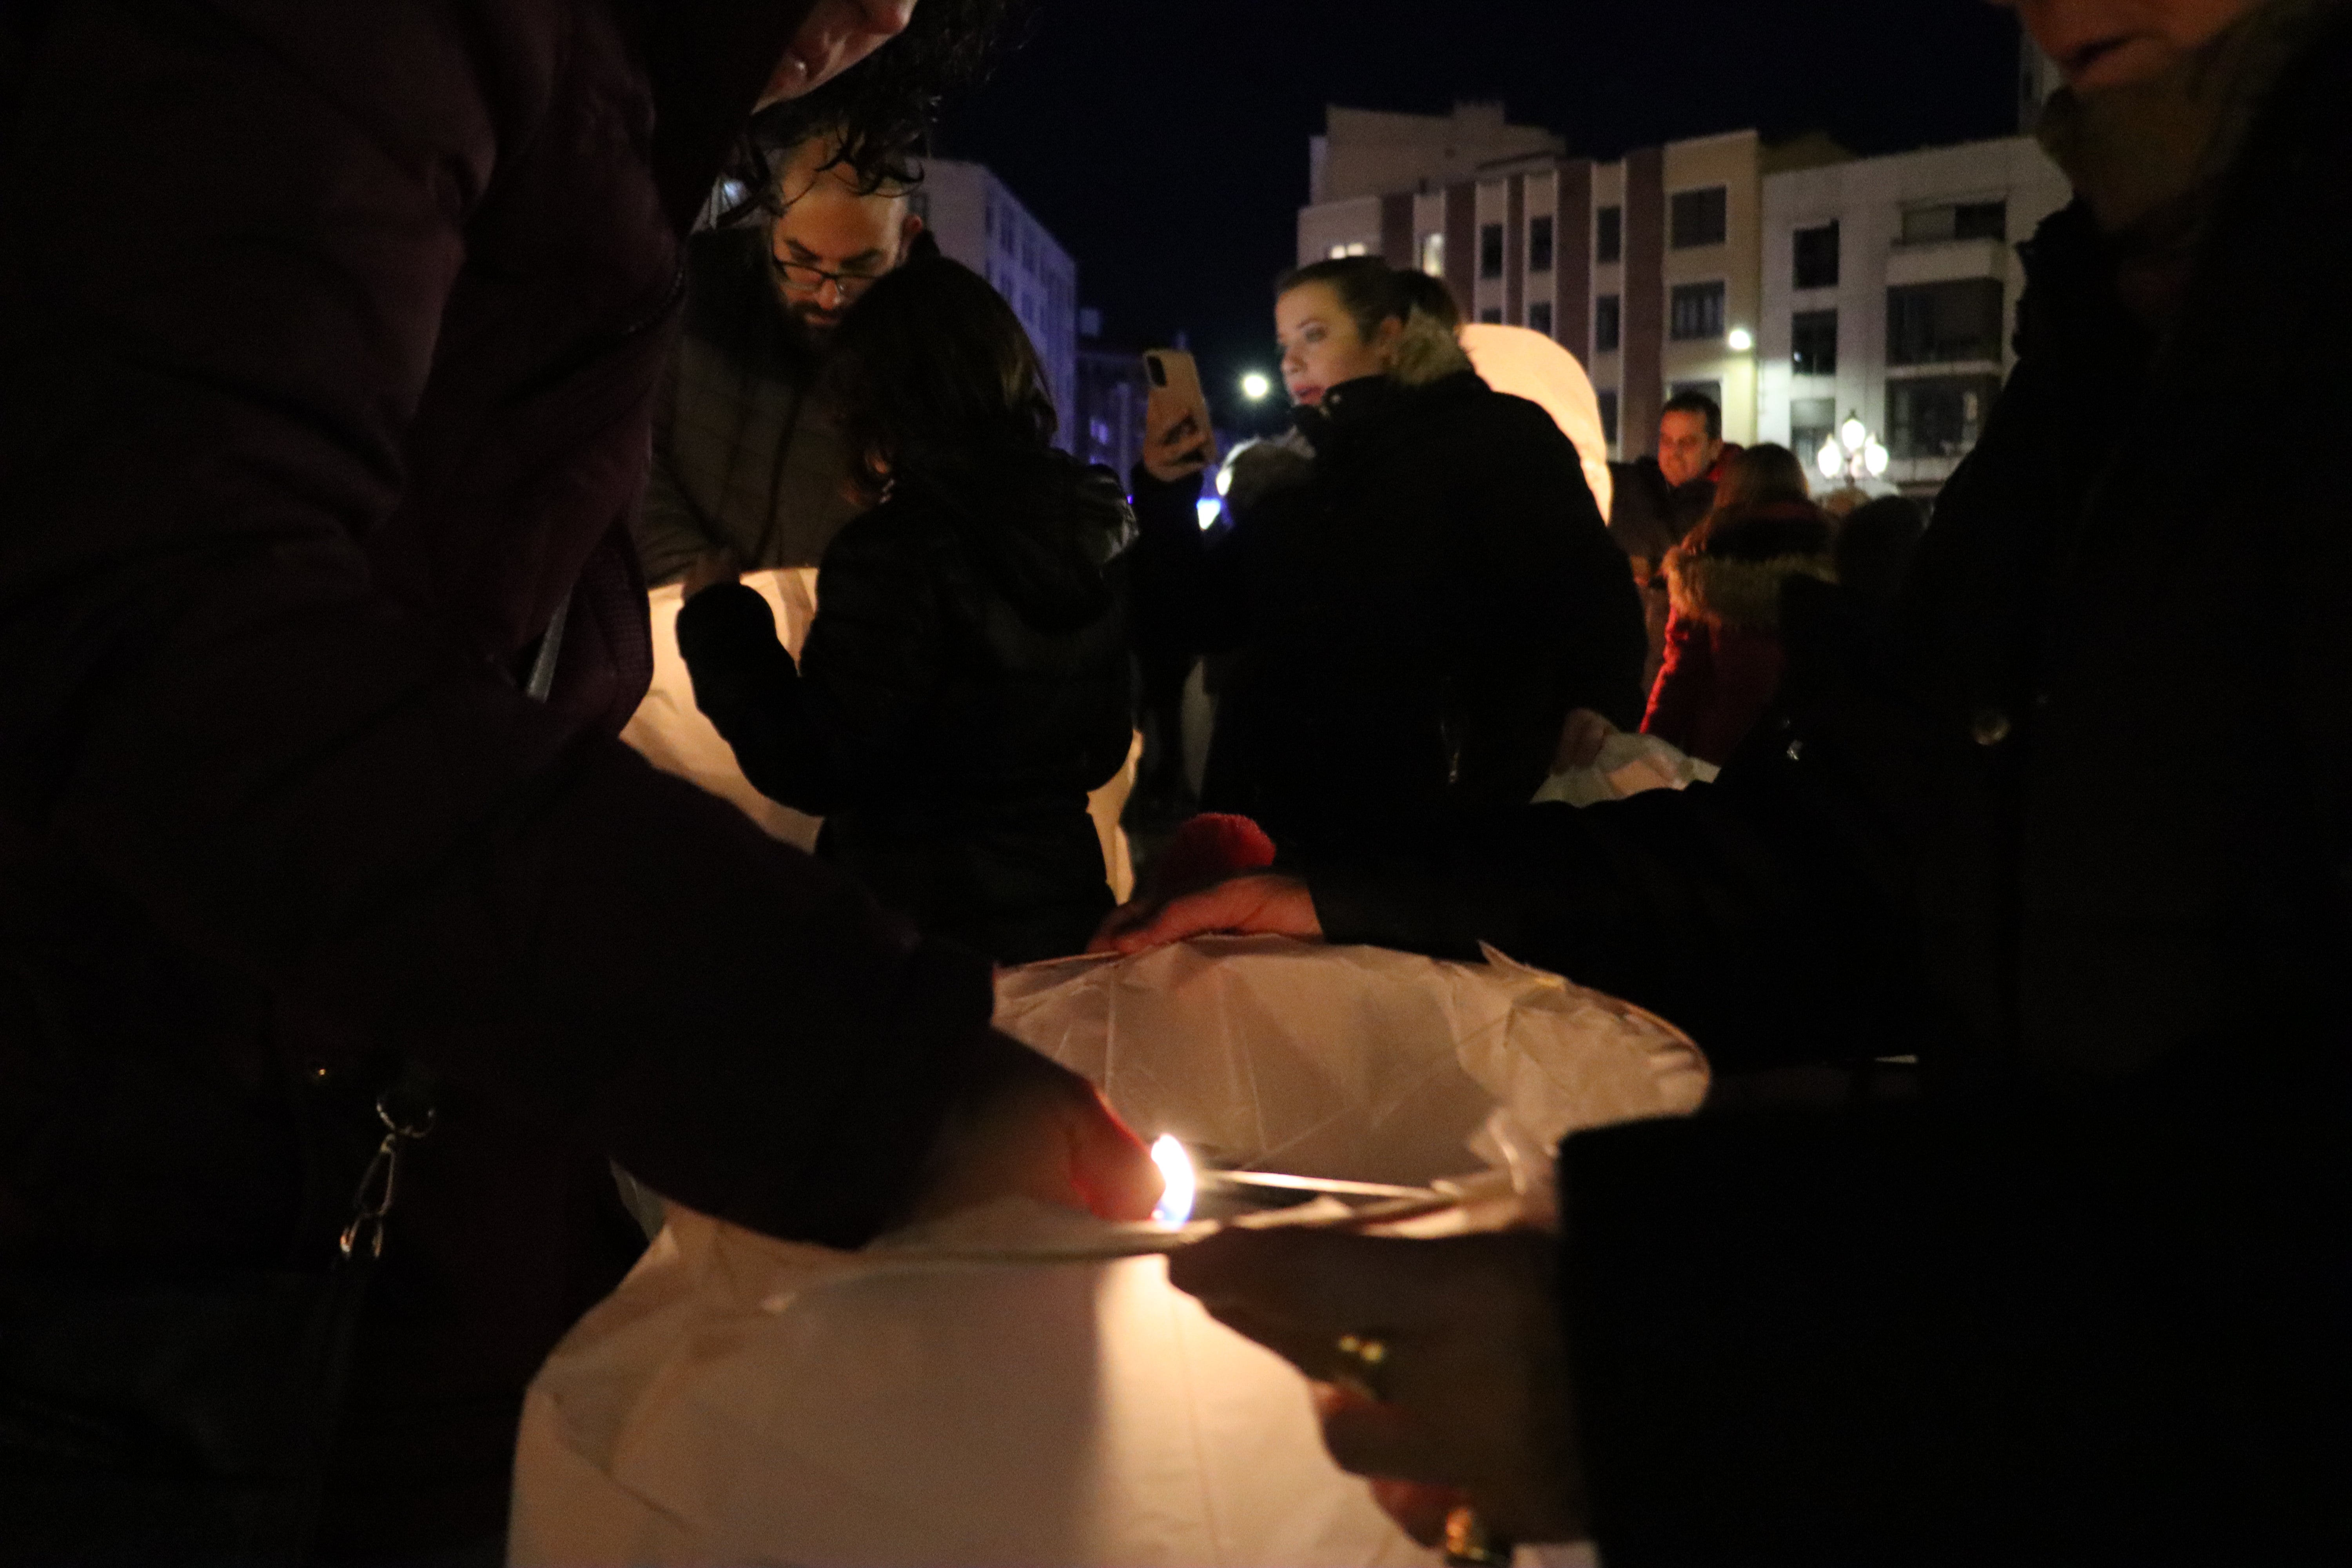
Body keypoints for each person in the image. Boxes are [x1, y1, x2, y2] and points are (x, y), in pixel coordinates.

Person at [1109, 0, 2352, 1559]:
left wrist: (1660, 1360)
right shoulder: (2116, 336)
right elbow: (1852, 859)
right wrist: (1363, 900)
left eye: (1313, 340)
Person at [0, 4, 1160, 1563]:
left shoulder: (608, 134)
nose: (886, 13)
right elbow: (172, 630)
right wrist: (858, 1065)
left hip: (385, 1129)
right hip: (156, 1160)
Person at [677, 257, 1136, 965]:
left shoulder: (896, 551)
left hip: (921, 935)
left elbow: (818, 762)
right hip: (1062, 923)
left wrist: (720, 621)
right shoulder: (1091, 531)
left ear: (878, 397)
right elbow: (1103, 747)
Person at [1127, 258, 1645, 863]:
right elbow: (1201, 615)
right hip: (1284, 836)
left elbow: (1588, 583)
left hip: (1427, 831)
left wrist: (1597, 695)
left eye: (1314, 335)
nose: (1292, 361)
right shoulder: (1308, 481)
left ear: (1390, 336)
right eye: (1284, 344)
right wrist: (1167, 491)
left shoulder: (1495, 438)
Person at [637, 96, 929, 590]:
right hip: (670, 615)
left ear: (905, 242)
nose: (828, 296)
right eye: (802, 261)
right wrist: (707, 591)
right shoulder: (694, 290)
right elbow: (635, 457)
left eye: (859, 269)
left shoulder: (929, 358)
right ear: (770, 221)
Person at [1639, 444, 1835, 765]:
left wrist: (1645, 754)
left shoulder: (1703, 564)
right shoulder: (1836, 553)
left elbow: (1680, 679)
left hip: (1725, 759)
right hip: (1814, 757)